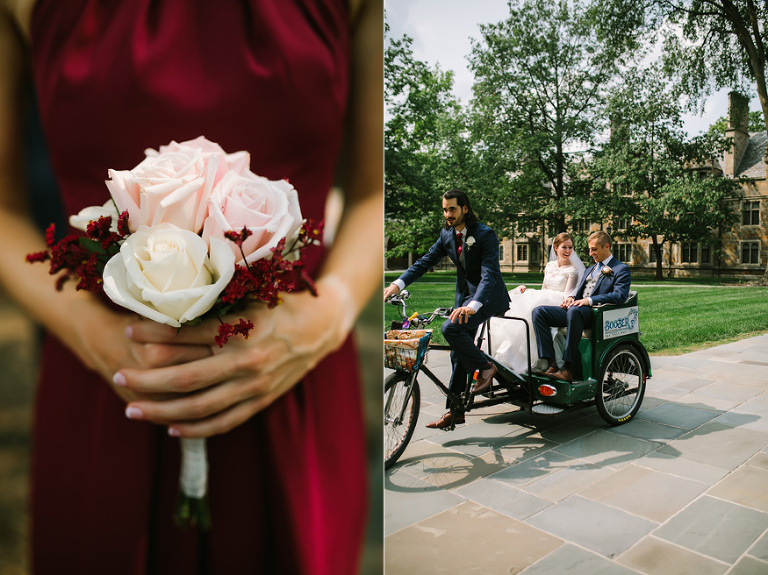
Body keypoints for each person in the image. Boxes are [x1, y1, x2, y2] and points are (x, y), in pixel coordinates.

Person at [0, 1, 382, 574]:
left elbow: (376, 194)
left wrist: (325, 318)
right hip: (108, 381)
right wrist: (93, 332)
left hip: (289, 370)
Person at [383, 190, 509, 429]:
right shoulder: (447, 235)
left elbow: (489, 275)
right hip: (464, 297)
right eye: (444, 209)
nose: (447, 214)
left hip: (488, 297)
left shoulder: (485, 234)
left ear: (465, 209)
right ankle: (455, 411)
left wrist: (473, 306)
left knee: (450, 329)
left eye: (452, 209)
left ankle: (485, 367)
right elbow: (424, 261)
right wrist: (396, 284)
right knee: (457, 355)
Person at [532, 231, 631, 382]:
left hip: (595, 314)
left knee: (574, 311)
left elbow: (620, 296)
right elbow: (579, 292)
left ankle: (568, 368)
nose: (591, 253)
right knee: (539, 312)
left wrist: (590, 300)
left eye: (594, 249)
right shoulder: (590, 269)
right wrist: (572, 298)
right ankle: (551, 364)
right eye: (589, 249)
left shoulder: (620, 269)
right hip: (576, 310)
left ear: (607, 246)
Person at [490, 232, 585, 374]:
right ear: (555, 247)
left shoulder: (573, 270)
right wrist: (530, 293)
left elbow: (568, 294)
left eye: (570, 247)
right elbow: (544, 289)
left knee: (532, 308)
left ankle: (541, 361)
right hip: (546, 298)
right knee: (523, 306)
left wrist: (566, 299)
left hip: (559, 302)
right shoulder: (549, 266)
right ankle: (508, 352)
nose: (568, 251)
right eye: (564, 247)